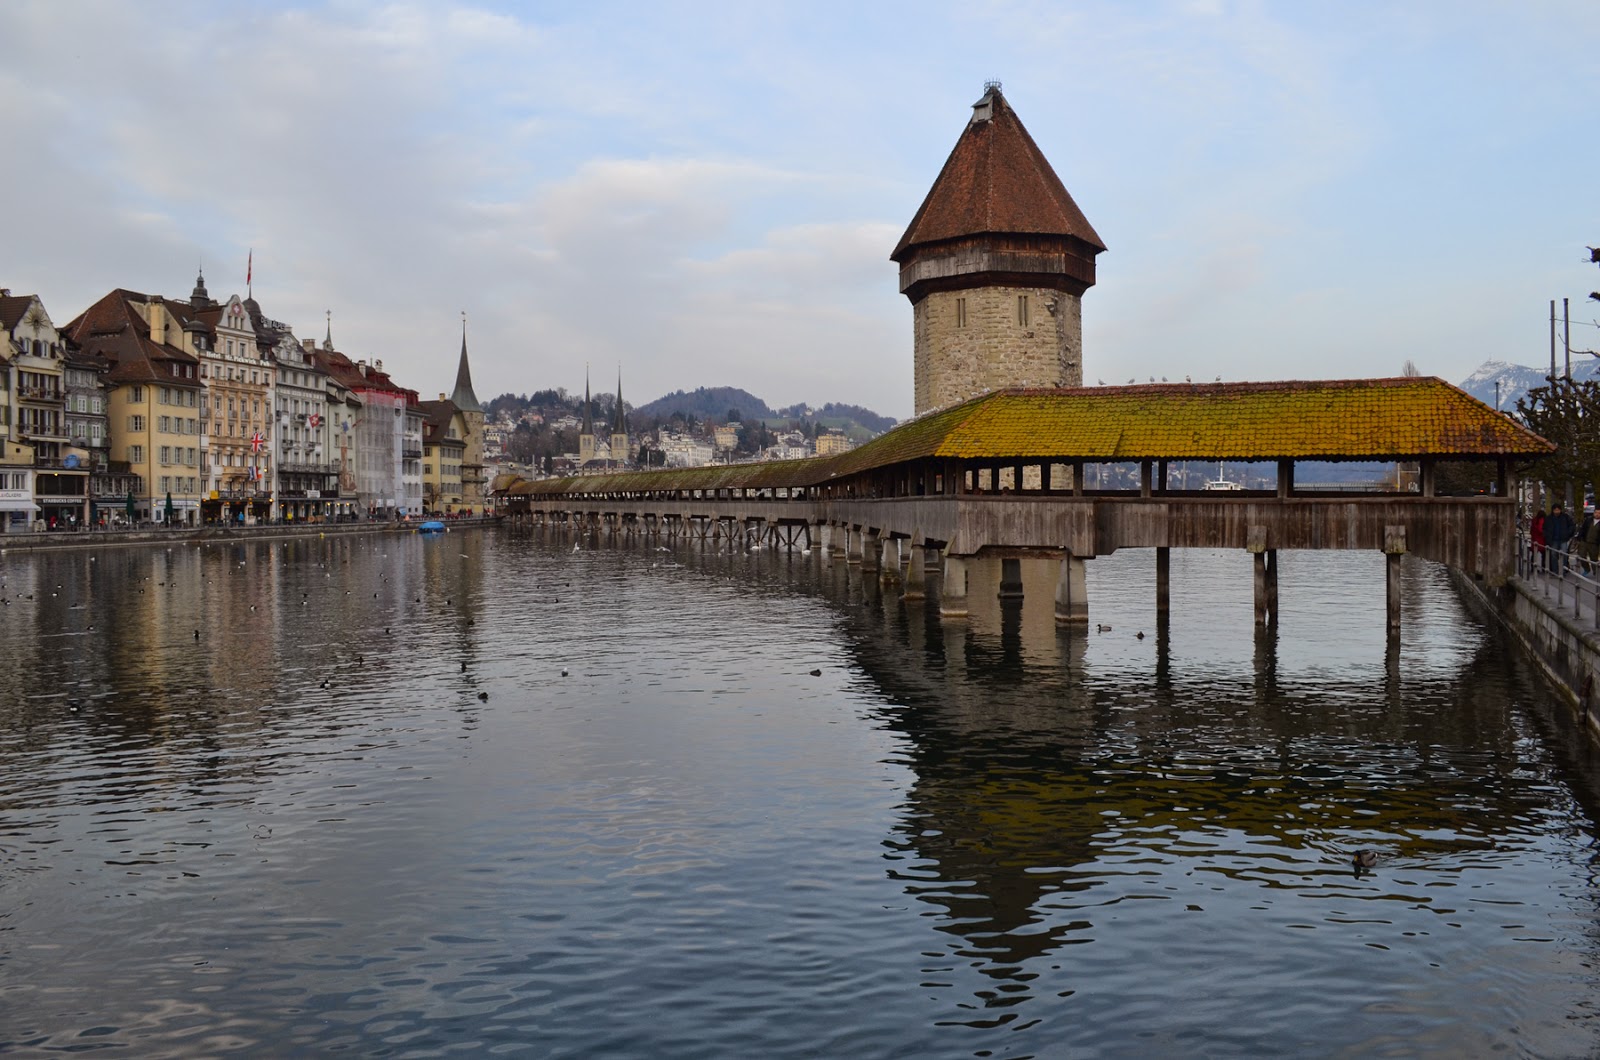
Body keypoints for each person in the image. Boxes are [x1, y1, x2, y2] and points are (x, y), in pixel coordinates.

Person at [1547, 503, 1575, 575]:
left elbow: (1571, 526)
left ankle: (1564, 570)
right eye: (1555, 510)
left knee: (1564, 554)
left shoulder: (1565, 517)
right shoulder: (1549, 518)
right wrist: (1548, 536)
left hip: (1563, 539)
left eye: (1558, 510)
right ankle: (1555, 570)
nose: (1557, 512)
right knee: (1553, 555)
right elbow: (1545, 528)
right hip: (1554, 539)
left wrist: (1568, 534)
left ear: (1560, 510)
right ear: (1553, 510)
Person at [1532, 507, 1547, 572]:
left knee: (1534, 554)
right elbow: (1540, 529)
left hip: (1535, 538)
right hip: (1541, 539)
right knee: (1544, 554)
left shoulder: (1534, 520)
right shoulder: (1542, 520)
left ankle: (1533, 567)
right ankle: (1544, 567)